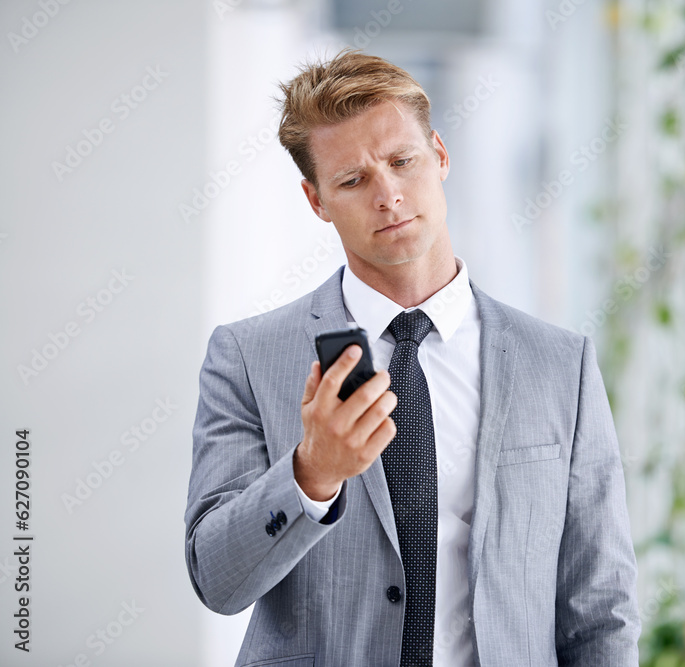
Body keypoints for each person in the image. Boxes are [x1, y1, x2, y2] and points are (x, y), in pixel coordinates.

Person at [184, 50, 640, 666]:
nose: (389, 195)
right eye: (353, 180)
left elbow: (601, 607)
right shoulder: (245, 357)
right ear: (316, 199)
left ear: (441, 156)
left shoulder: (560, 365)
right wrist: (311, 473)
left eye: (403, 162)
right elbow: (216, 580)